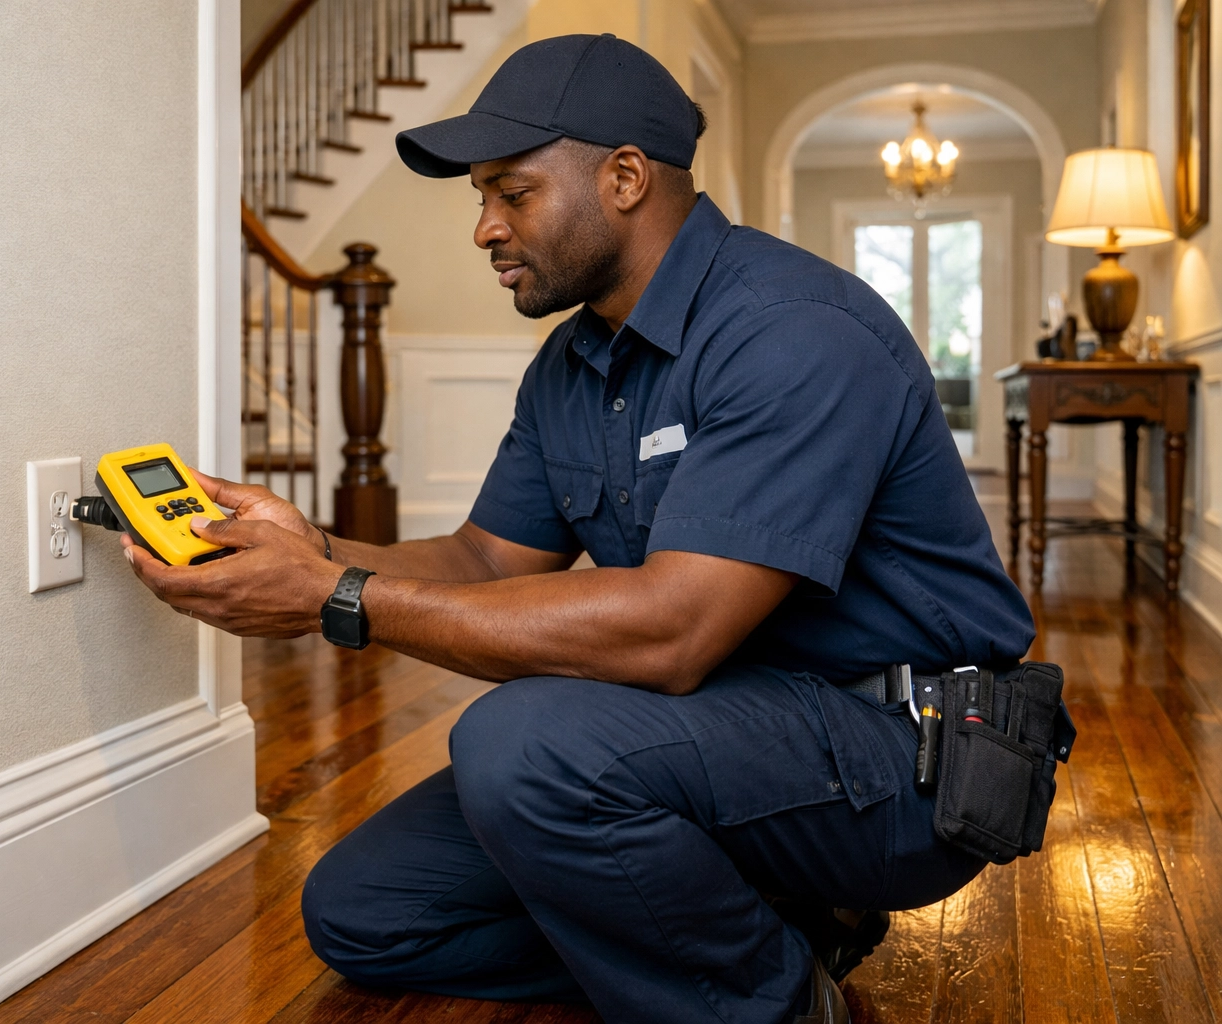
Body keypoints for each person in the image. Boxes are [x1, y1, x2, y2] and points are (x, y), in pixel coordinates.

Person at [119, 33, 1035, 1024]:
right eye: (482, 197)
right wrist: (315, 549)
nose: (484, 229)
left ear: (626, 178)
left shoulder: (793, 327)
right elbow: (482, 559)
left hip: (907, 760)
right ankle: (773, 925)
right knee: (367, 912)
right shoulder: (573, 361)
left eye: (512, 193)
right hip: (727, 724)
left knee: (524, 742)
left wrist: (334, 601)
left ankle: (782, 1006)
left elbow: (673, 631)